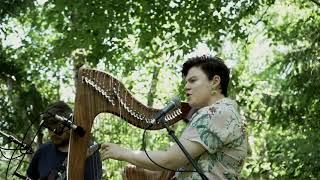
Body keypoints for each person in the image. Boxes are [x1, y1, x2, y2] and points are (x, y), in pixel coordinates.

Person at [101, 55, 249, 179]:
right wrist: (153, 175)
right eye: (186, 82)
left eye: (193, 80)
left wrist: (122, 152)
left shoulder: (216, 113)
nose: (186, 87)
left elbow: (171, 159)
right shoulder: (226, 112)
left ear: (215, 82)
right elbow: (195, 164)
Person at [26, 101, 102, 180]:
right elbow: (30, 177)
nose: (53, 134)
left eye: (58, 129)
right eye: (49, 129)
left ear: (70, 125)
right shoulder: (42, 151)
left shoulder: (89, 152)